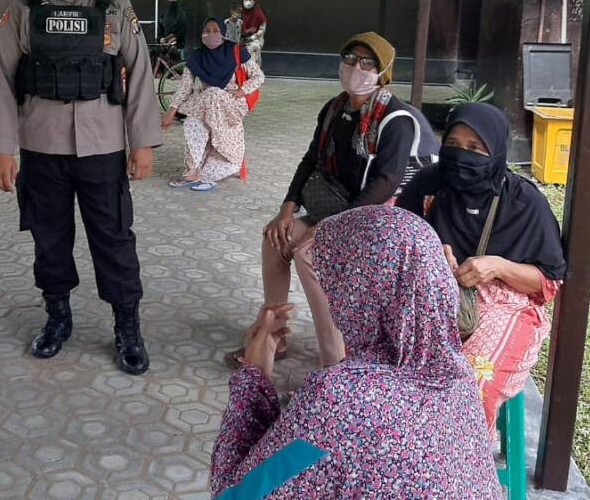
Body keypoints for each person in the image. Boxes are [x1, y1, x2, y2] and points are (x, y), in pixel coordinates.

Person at [0, 0, 161, 375]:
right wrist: (1, 147)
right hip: (42, 143)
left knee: (114, 237)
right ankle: (57, 317)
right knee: (49, 236)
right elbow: (0, 77)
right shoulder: (26, 6)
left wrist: (143, 144)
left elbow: (139, 75)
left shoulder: (116, 5)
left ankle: (127, 327)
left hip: (103, 145)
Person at [211, 206, 501, 499]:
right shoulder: (460, 378)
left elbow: (235, 495)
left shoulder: (339, 399)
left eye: (334, 282)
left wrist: (253, 377)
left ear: (357, 294)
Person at [238, 32, 417, 368]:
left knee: (310, 253)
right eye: (350, 58)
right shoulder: (334, 109)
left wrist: (330, 230)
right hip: (332, 210)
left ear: (383, 71)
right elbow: (311, 159)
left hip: (373, 220)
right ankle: (274, 336)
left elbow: (386, 182)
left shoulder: (396, 119)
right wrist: (287, 208)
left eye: (367, 62)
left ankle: (334, 366)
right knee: (275, 238)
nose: (355, 67)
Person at [398, 102, 566, 430]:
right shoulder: (431, 182)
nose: (462, 155)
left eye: (475, 148)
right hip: (435, 294)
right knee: (391, 370)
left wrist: (499, 267)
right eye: (452, 145)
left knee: (469, 387)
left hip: (507, 303)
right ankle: (403, 454)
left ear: (496, 151)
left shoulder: (524, 201)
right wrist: (430, 252)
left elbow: (547, 281)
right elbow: (399, 237)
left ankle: (458, 467)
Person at [161, 18, 264, 192]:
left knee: (214, 93)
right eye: (206, 31)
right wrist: (171, 109)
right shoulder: (196, 56)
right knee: (193, 123)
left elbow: (258, 76)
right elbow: (185, 88)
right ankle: (192, 172)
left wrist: (242, 90)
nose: (210, 34)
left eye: (215, 30)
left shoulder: (236, 51)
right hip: (206, 105)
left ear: (223, 33)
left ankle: (209, 175)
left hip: (232, 104)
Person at [239, 0, 267, 65]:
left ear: (254, 1)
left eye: (250, 0)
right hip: (242, 38)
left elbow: (262, 30)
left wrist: (251, 38)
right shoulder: (241, 13)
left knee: (254, 47)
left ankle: (255, 69)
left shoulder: (259, 15)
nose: (248, 2)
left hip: (255, 39)